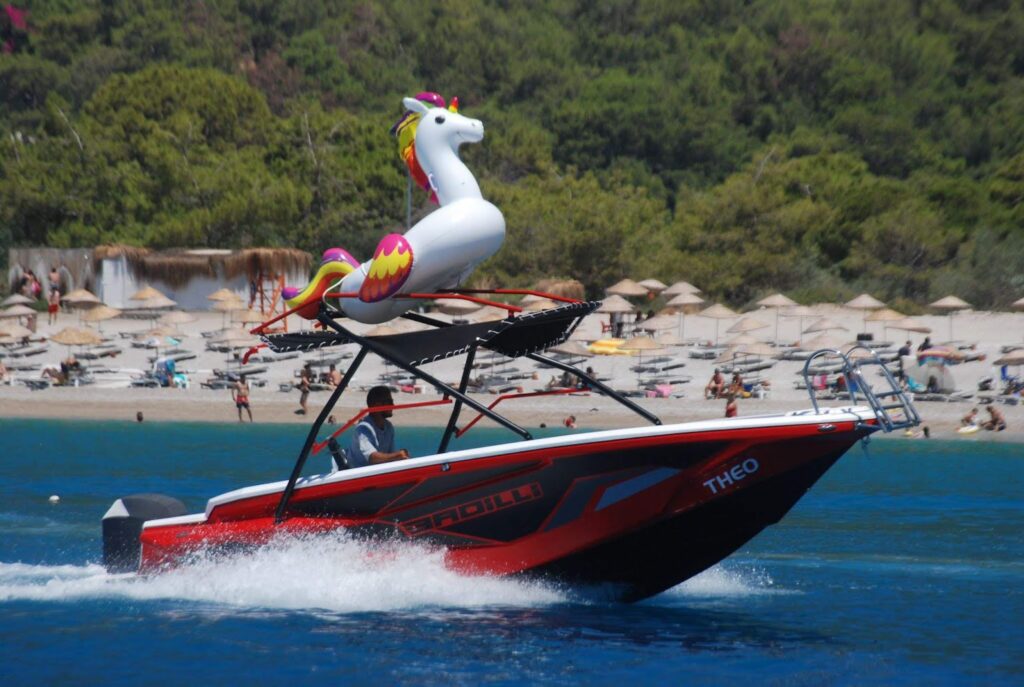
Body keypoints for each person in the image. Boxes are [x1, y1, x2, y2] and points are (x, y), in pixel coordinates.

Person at [346, 385, 409, 468]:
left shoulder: (388, 427)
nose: (393, 405)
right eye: (389, 402)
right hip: (360, 476)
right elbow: (372, 457)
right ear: (377, 405)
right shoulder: (363, 429)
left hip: (377, 473)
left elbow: (391, 455)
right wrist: (397, 455)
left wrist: (400, 456)